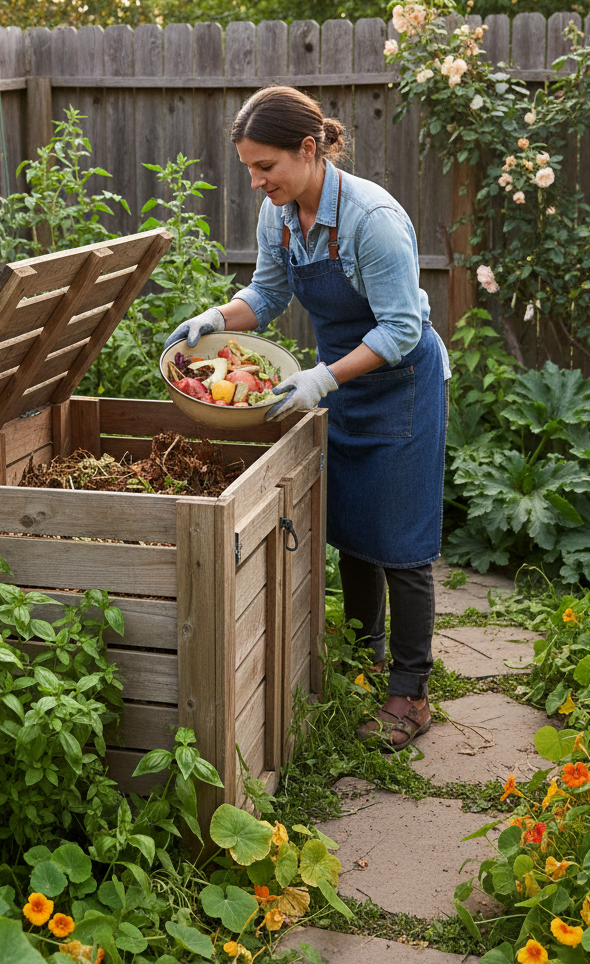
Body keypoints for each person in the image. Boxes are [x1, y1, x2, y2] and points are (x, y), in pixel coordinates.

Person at [165, 86, 450, 752]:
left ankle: (410, 692)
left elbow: (404, 328)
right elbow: (266, 295)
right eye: (249, 169)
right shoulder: (280, 215)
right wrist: (216, 318)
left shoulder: (370, 220)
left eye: (266, 166)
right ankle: (365, 657)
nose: (257, 181)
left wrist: (322, 375)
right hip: (343, 383)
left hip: (402, 384)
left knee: (401, 541)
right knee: (353, 525)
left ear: (309, 148)